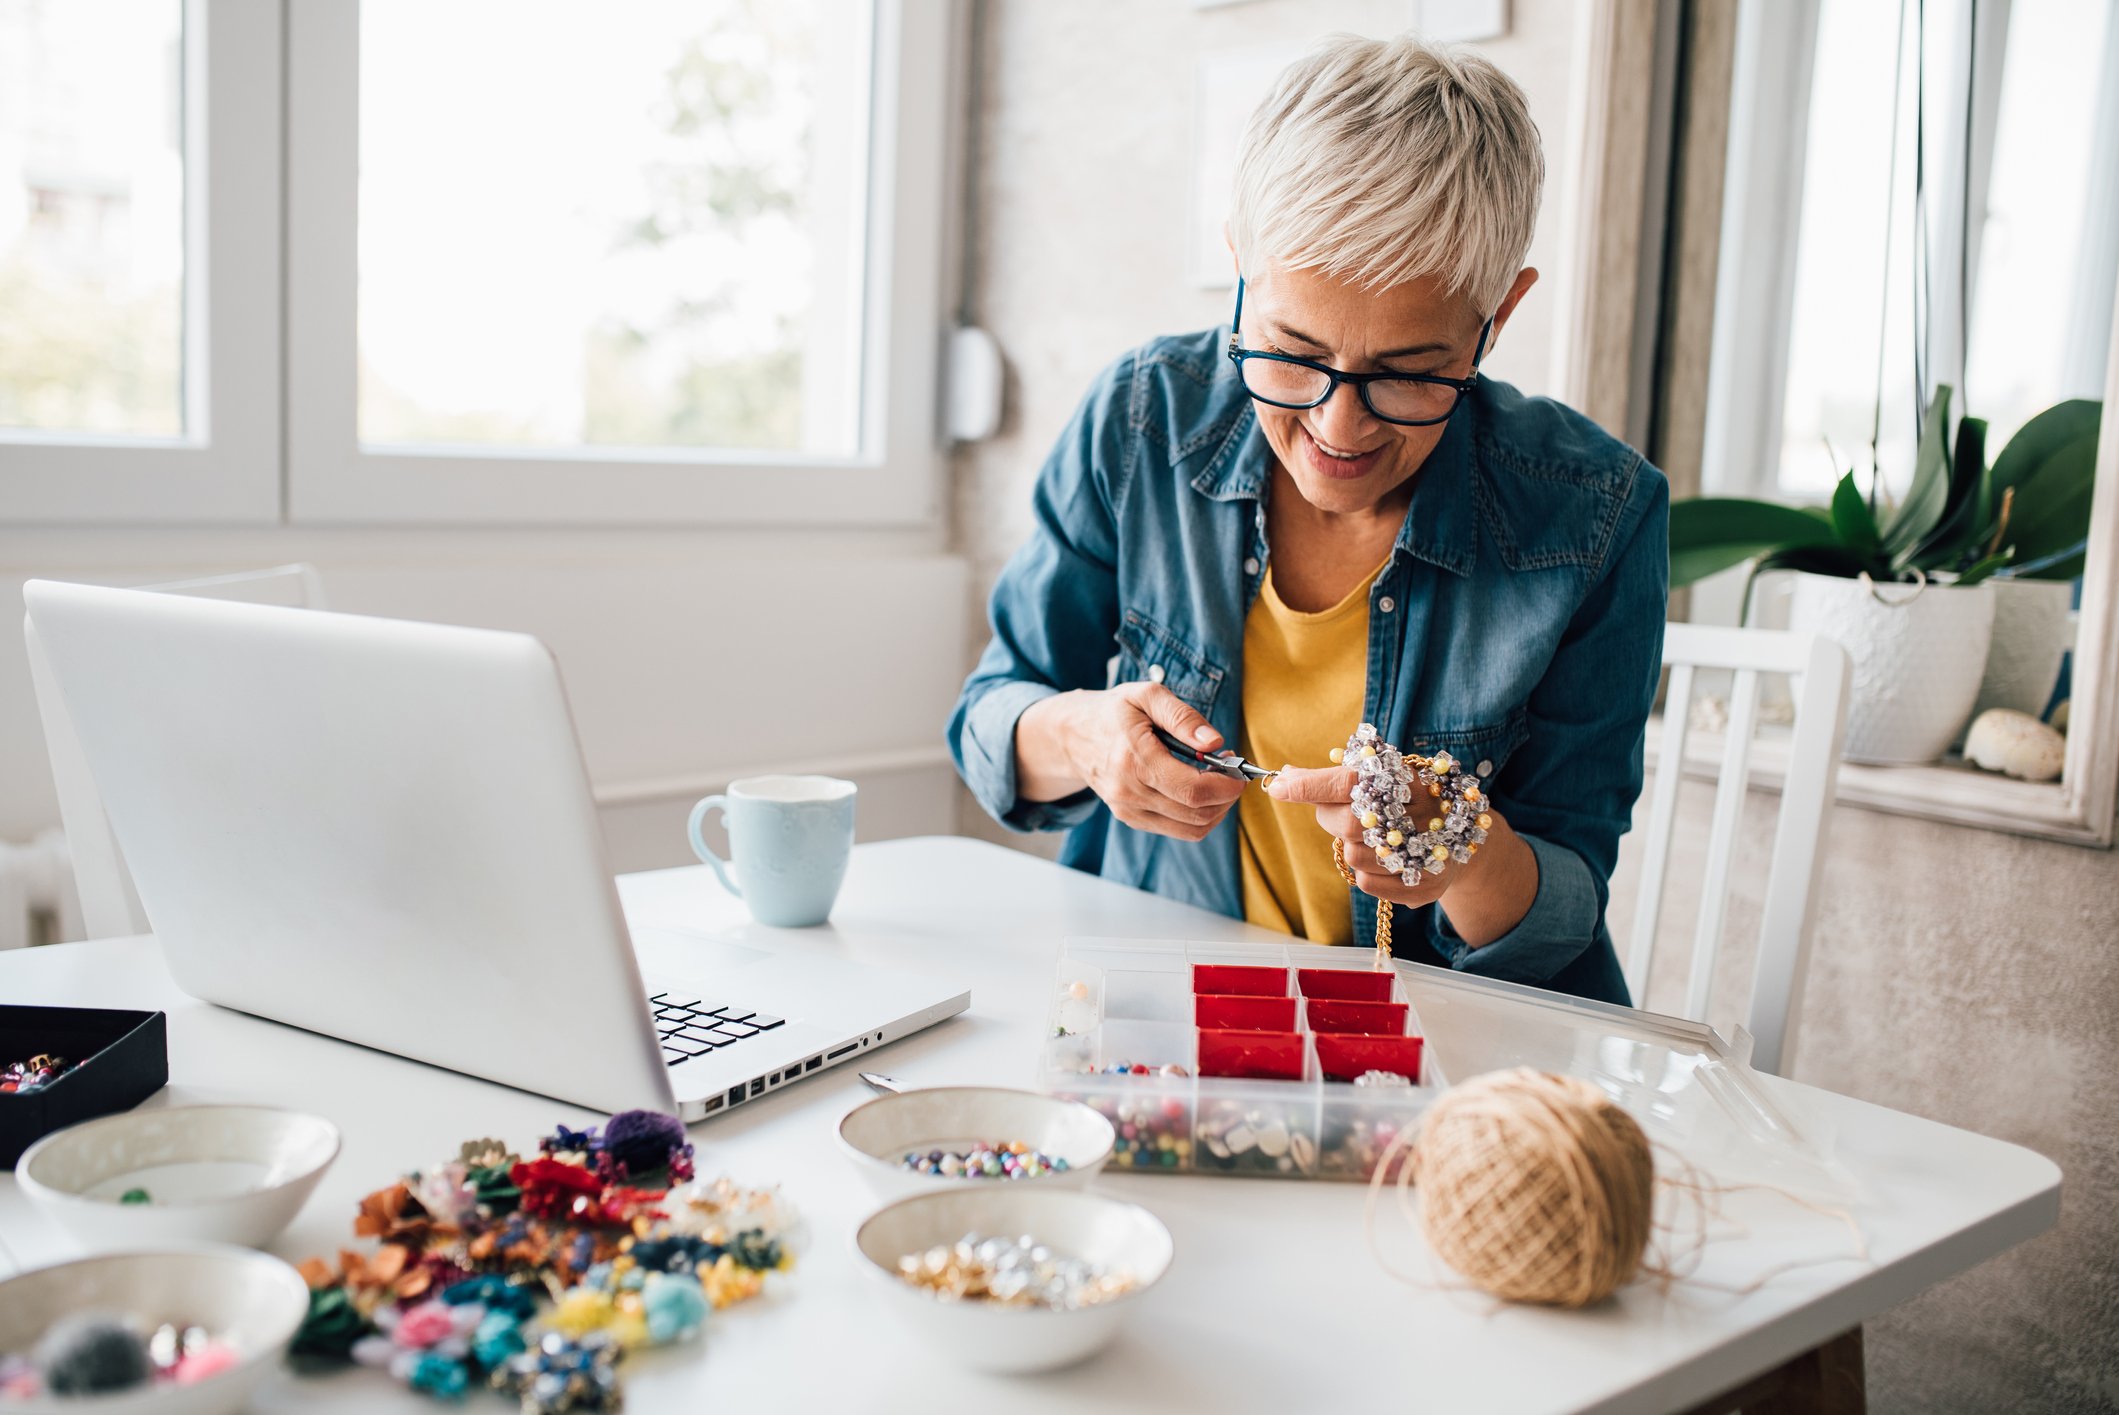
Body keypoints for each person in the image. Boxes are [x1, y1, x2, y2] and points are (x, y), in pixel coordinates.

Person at [947, 35, 1667, 1005]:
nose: (1336, 426)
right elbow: (992, 712)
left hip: (1442, 1038)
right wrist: (1082, 736)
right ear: (1238, 264)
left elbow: (1564, 907)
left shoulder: (1594, 514)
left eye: (1408, 372)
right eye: (1290, 351)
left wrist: (1462, 854)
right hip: (1162, 1003)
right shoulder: (1142, 416)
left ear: (1499, 314)